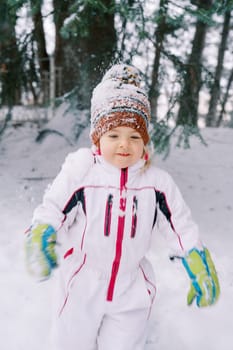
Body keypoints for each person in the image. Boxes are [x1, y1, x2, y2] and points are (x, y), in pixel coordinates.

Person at [25, 64, 220, 350]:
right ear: (97, 137)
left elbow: (180, 225)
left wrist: (195, 258)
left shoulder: (157, 184)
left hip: (132, 287)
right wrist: (41, 233)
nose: (124, 145)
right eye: (113, 135)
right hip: (82, 282)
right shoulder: (82, 173)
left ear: (145, 141)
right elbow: (53, 207)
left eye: (134, 136)